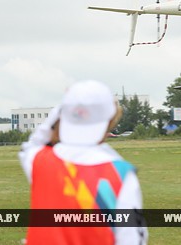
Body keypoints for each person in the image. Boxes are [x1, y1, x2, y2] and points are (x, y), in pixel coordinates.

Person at [19, 80, 148, 245]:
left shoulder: (39, 161)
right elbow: (132, 240)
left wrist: (66, 106)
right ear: (111, 120)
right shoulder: (120, 175)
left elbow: (32, 144)